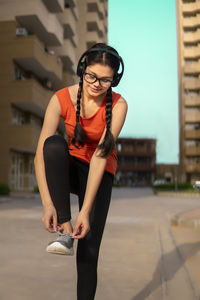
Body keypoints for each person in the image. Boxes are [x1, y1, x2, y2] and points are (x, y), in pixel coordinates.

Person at [34, 43, 127, 300]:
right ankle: (65, 232)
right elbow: (40, 156)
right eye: (91, 76)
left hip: (99, 173)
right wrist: (48, 204)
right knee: (52, 145)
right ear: (82, 70)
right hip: (69, 169)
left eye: (105, 80)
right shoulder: (61, 98)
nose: (97, 84)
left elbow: (100, 156)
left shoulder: (119, 106)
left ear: (114, 80)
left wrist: (85, 211)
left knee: (89, 251)